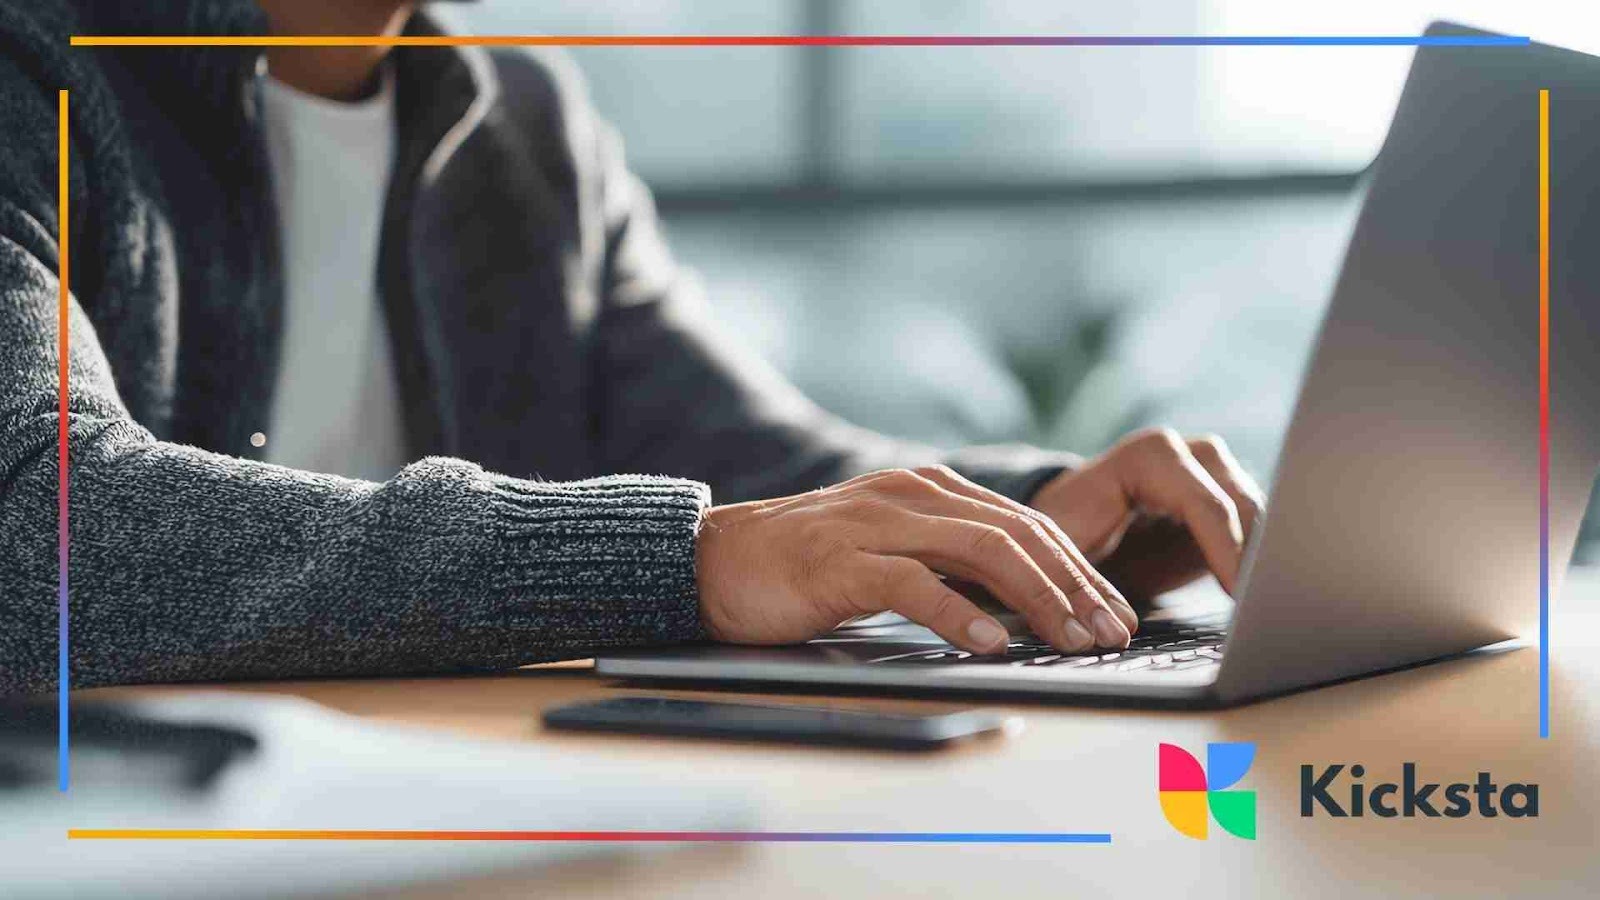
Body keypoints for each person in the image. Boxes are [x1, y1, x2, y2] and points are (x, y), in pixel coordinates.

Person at [0, 0, 1263, 696]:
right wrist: (680, 558)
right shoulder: (35, 70)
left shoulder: (523, 123)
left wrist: (1035, 512)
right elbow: (33, 521)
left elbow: (755, 464)